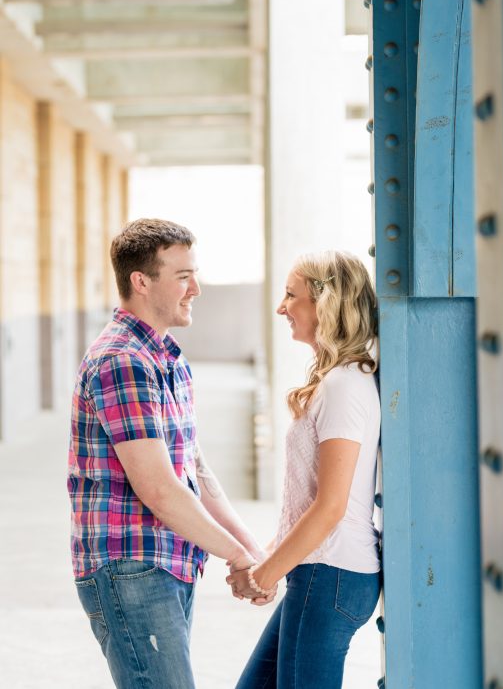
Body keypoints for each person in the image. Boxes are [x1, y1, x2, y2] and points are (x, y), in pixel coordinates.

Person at [69, 218, 269, 689]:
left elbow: (194, 470)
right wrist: (238, 558)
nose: (196, 288)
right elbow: (159, 489)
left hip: (166, 562)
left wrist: (251, 550)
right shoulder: (123, 362)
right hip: (132, 568)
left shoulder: (166, 358)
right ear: (141, 282)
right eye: (183, 276)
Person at [229, 250, 382, 689]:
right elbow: (305, 505)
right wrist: (267, 561)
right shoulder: (338, 380)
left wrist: (264, 575)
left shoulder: (344, 386)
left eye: (291, 296)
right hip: (319, 572)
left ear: (324, 303)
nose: (281, 308)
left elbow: (330, 507)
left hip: (330, 574)